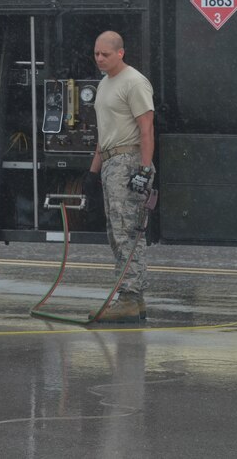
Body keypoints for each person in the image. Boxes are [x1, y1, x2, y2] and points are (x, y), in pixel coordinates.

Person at [85, 31, 155, 323]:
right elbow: (104, 134)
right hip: (111, 161)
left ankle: (127, 297)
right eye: (97, 53)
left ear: (120, 53)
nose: (100, 59)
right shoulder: (104, 84)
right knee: (117, 233)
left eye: (105, 54)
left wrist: (144, 170)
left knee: (128, 232)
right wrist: (93, 171)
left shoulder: (134, 82)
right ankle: (134, 300)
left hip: (129, 161)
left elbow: (146, 128)